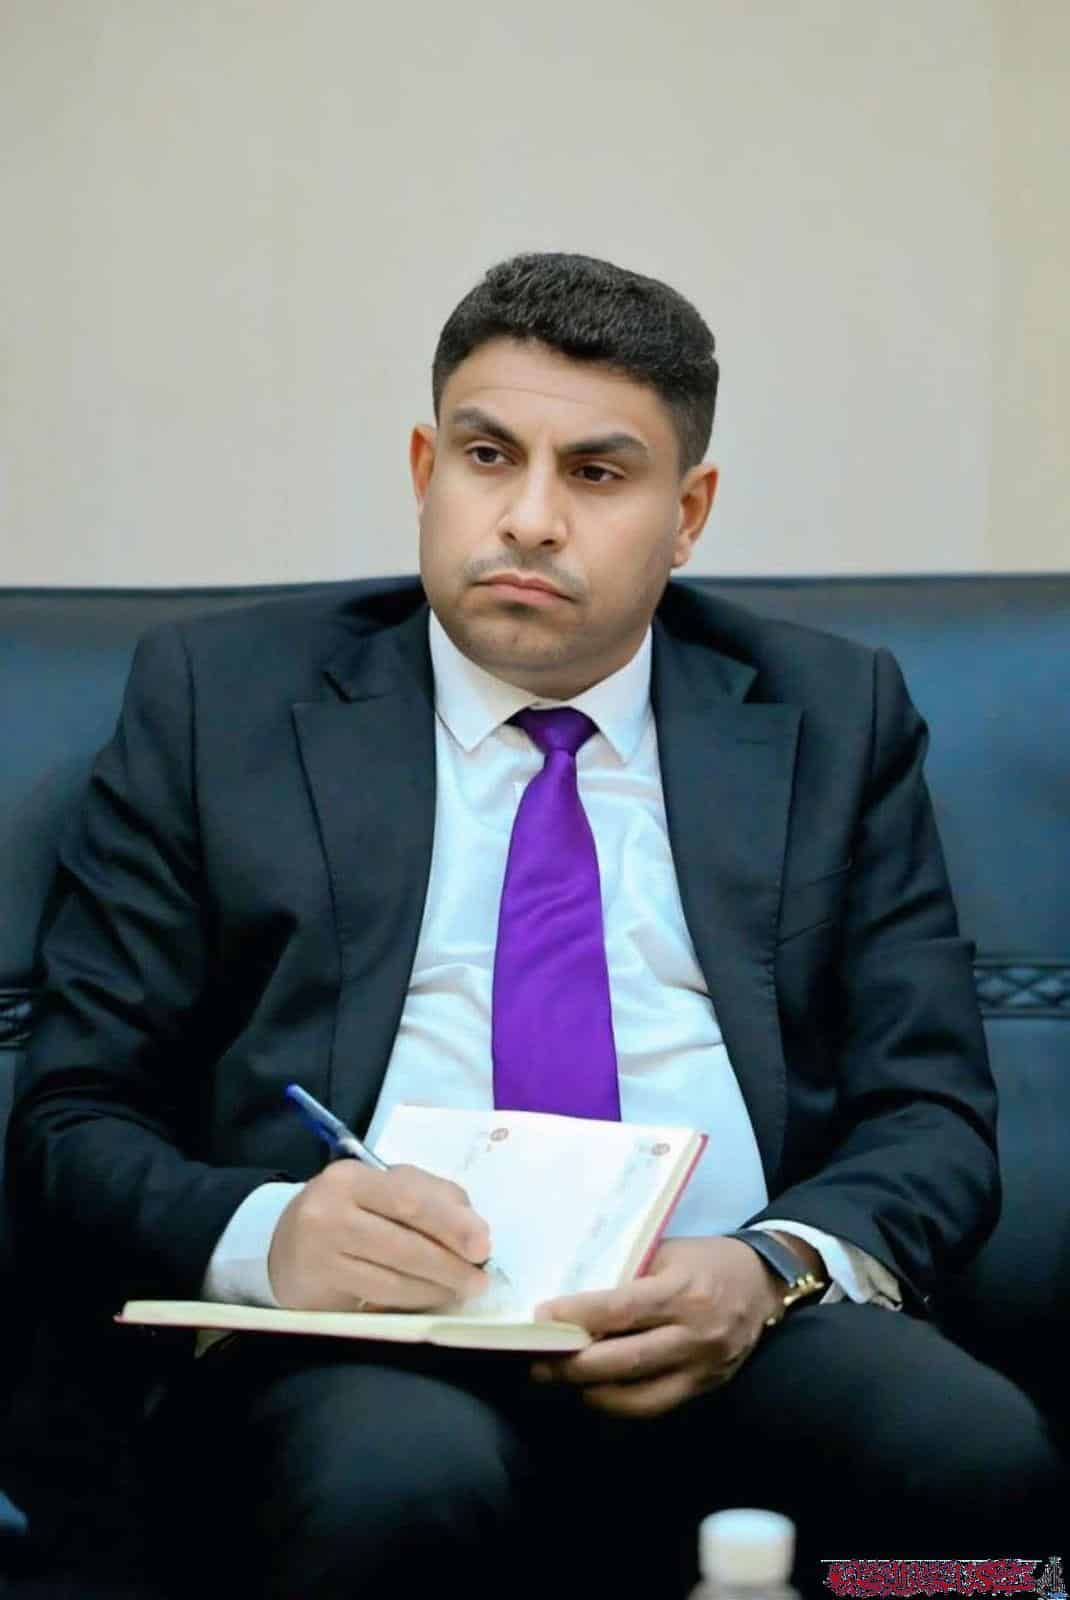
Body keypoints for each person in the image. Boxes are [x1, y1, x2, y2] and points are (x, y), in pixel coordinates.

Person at [8, 253, 1066, 1599]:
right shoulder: (219, 705)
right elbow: (74, 1114)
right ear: (423, 468)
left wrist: (768, 1269)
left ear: (687, 514)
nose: (528, 519)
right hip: (360, 1339)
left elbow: (930, 1112)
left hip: (732, 1319)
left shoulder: (831, 715)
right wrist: (271, 1234)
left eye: (598, 474)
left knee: (975, 1465)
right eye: (487, 456)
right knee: (392, 1481)